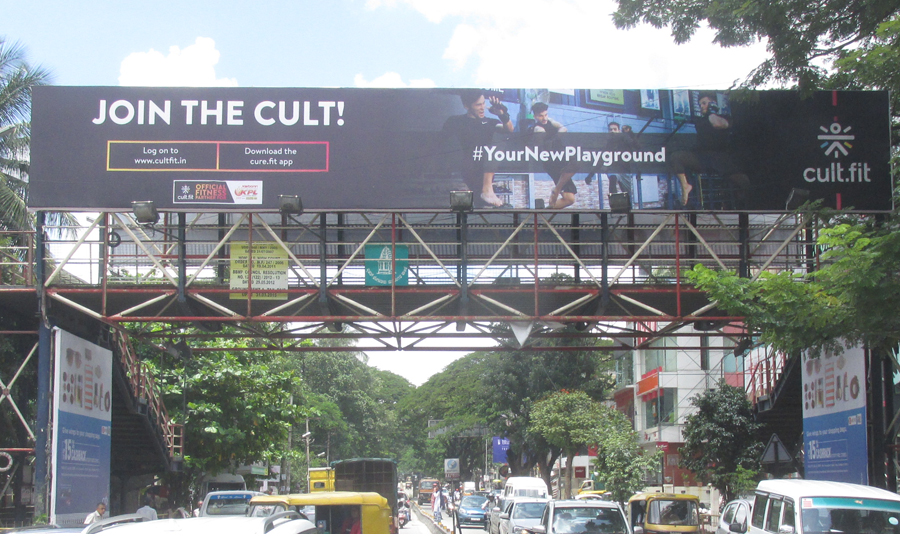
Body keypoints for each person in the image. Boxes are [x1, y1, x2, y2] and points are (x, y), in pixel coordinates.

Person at [670, 91, 749, 207]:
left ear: (713, 103)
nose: (702, 106)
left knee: (743, 181)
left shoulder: (725, 118)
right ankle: (685, 186)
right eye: (700, 104)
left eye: (704, 103)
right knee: (676, 157)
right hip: (703, 158)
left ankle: (743, 203)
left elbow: (717, 124)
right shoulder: (701, 121)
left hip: (721, 158)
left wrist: (712, 110)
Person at [442, 90, 515, 208]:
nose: (482, 108)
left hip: (484, 173)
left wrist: (502, 114)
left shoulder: (490, 122)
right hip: (465, 170)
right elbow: (444, 144)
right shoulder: (456, 121)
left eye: (483, 103)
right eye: (478, 105)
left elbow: (509, 129)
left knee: (484, 209)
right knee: (462, 211)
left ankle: (487, 191)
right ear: (466, 106)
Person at [529, 102, 577, 209]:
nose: (544, 118)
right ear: (535, 116)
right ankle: (556, 190)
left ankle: (544, 215)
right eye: (541, 116)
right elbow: (543, 147)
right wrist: (556, 137)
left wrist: (556, 137)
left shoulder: (549, 121)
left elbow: (564, 128)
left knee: (569, 199)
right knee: (576, 163)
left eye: (545, 114)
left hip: (559, 156)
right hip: (551, 161)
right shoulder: (537, 129)